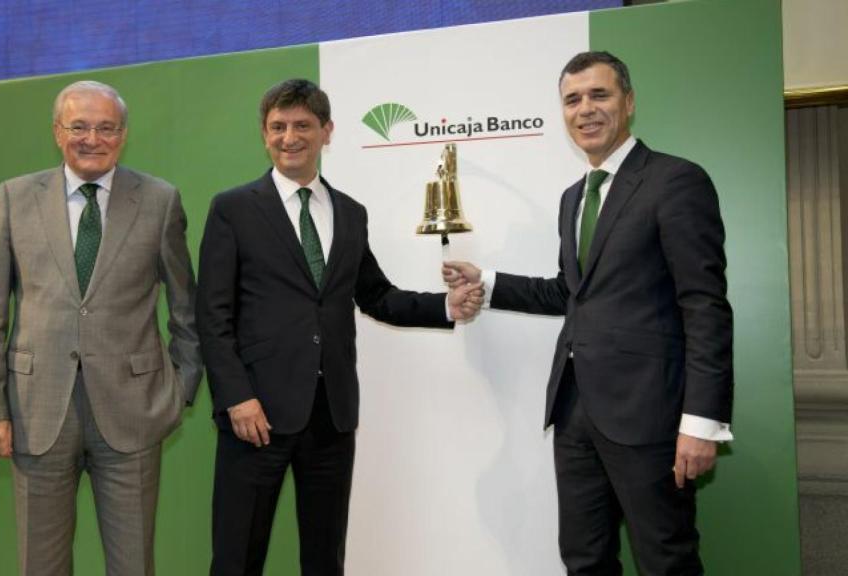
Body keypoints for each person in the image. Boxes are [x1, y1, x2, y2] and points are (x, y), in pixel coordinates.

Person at [443, 51, 733, 575]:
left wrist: (702, 422)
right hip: (575, 412)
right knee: (584, 558)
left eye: (599, 95)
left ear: (629, 102)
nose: (585, 110)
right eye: (572, 100)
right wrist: (486, 281)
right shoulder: (573, 197)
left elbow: (705, 306)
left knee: (665, 560)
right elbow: (569, 293)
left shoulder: (675, 181)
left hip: (651, 416)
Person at [197, 78, 483, 576]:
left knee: (325, 557)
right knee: (237, 556)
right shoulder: (233, 209)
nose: (290, 137)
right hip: (256, 416)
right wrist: (236, 397)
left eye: (303, 125)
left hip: (332, 416)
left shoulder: (350, 213)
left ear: (327, 131)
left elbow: (376, 295)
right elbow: (212, 315)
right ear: (264, 135)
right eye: (278, 127)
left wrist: (446, 307)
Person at [0, 80, 202, 576]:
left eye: (106, 127)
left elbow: (187, 310)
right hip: (36, 414)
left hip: (134, 413)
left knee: (133, 564)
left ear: (122, 134)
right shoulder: (14, 198)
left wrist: (177, 393)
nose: (92, 138)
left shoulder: (159, 200)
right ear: (57, 132)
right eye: (79, 126)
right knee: (41, 565)